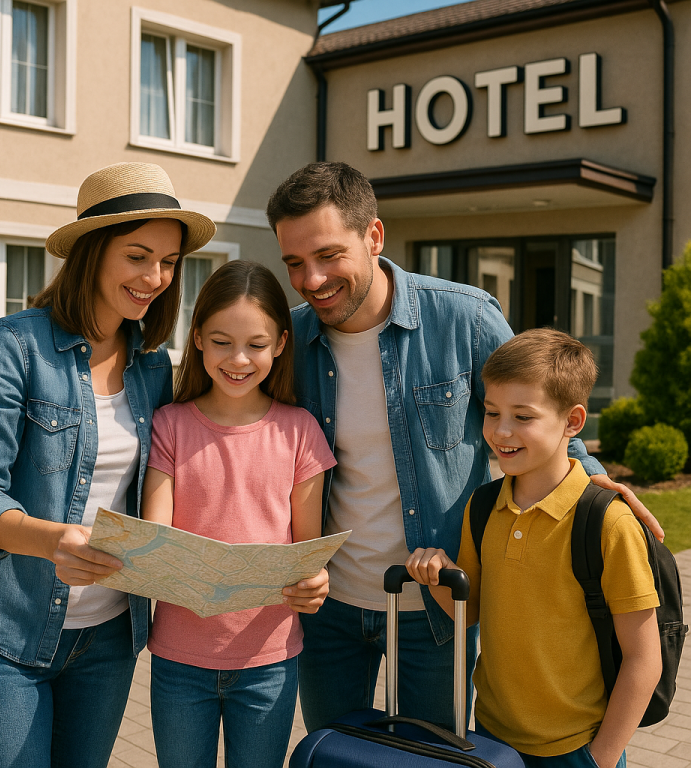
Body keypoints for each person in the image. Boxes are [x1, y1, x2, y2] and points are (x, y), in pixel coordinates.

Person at [265, 160, 661, 733]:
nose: (311, 280)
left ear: (374, 236)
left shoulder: (464, 316)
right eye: (295, 263)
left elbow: (536, 409)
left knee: (437, 757)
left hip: (437, 604)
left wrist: (597, 487)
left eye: (328, 256)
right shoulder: (292, 340)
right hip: (329, 610)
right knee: (335, 754)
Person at [0, 162, 216, 768]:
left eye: (168, 262)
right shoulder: (15, 346)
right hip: (6, 633)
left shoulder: (151, 365)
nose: (155, 278)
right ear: (93, 253)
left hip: (109, 640)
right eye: (138, 256)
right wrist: (52, 540)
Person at [406, 329, 661, 768]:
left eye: (523, 417)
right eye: (491, 413)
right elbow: (473, 611)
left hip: (577, 749)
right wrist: (438, 576)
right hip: (490, 738)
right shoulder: (484, 505)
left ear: (573, 422)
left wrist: (599, 759)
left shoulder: (609, 523)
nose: (501, 431)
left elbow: (644, 660)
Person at [141, 260, 337, 768]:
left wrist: (314, 583)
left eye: (256, 344)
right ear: (199, 338)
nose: (239, 358)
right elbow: (157, 538)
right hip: (179, 658)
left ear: (280, 345)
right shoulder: (169, 424)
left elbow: (308, 555)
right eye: (223, 340)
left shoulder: (301, 432)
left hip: (268, 660)